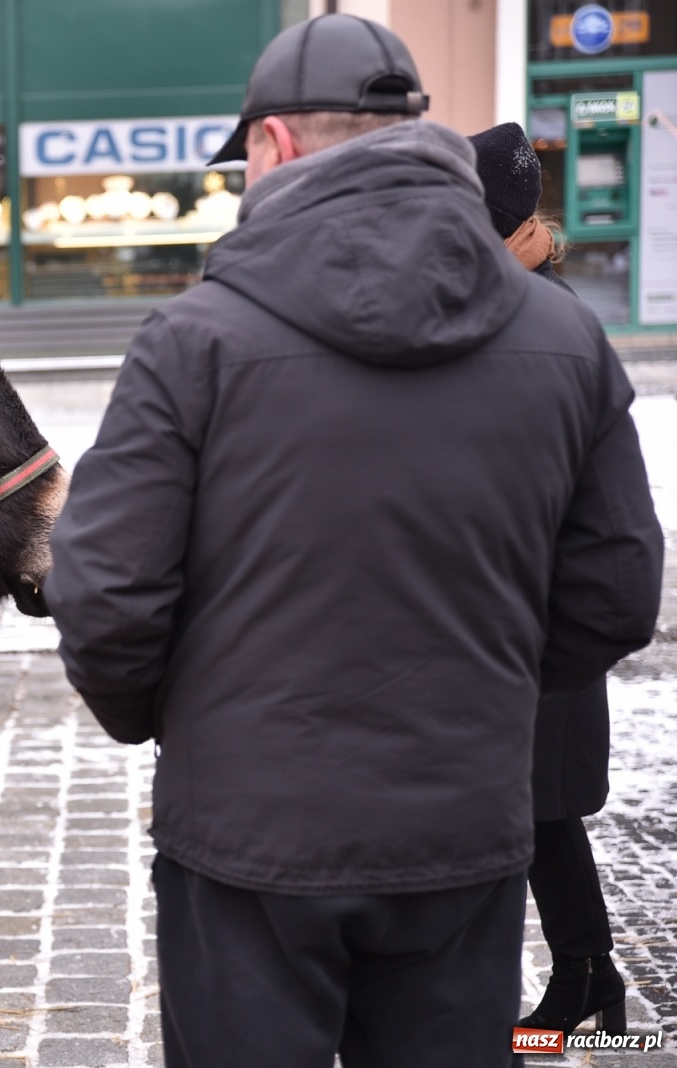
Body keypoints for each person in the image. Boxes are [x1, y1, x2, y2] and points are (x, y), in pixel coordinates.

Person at [45, 15, 664, 1068]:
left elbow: (104, 597)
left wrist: (187, 728)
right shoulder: (565, 336)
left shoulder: (192, 341)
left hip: (245, 840)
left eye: (244, 157)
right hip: (462, 830)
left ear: (277, 144)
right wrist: (483, 692)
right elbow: (614, 593)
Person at [469, 120, 627, 1035]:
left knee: (535, 806)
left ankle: (583, 981)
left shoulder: (548, 322)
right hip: (516, 605)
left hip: (542, 608)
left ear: (519, 230)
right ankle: (588, 977)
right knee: (538, 809)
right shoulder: (527, 307)